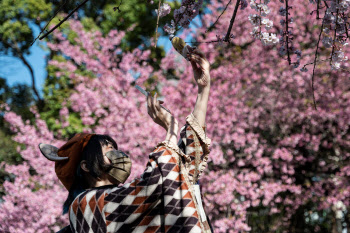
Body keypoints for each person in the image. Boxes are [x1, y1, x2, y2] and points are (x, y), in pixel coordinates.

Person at [39, 48, 212, 233]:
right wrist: (170, 131)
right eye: (107, 149)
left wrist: (203, 90)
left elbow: (183, 169)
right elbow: (153, 185)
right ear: (86, 166)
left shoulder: (127, 199)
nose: (118, 154)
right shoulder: (83, 205)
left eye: (115, 148)